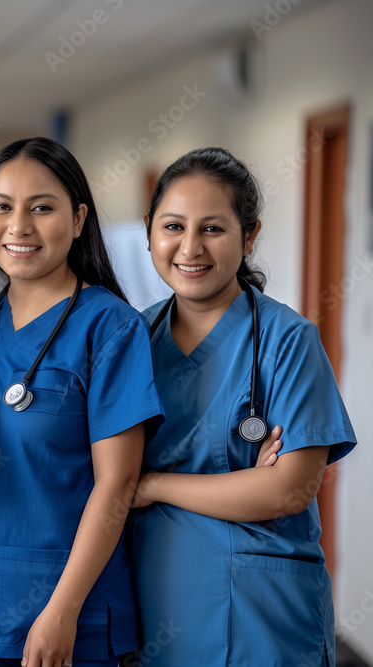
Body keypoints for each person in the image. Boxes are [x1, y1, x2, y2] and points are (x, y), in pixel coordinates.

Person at [130, 147, 356, 666]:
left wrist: (154, 485)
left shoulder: (287, 341)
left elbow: (289, 488)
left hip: (263, 619)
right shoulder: (131, 340)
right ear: (149, 232)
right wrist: (241, 486)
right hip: (155, 609)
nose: (190, 247)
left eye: (213, 228)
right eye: (173, 226)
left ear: (248, 235)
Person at [0, 137, 164, 667]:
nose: (19, 227)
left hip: (75, 614)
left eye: (42, 208)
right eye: (1, 207)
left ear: (77, 220)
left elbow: (117, 482)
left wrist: (62, 611)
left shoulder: (109, 326)